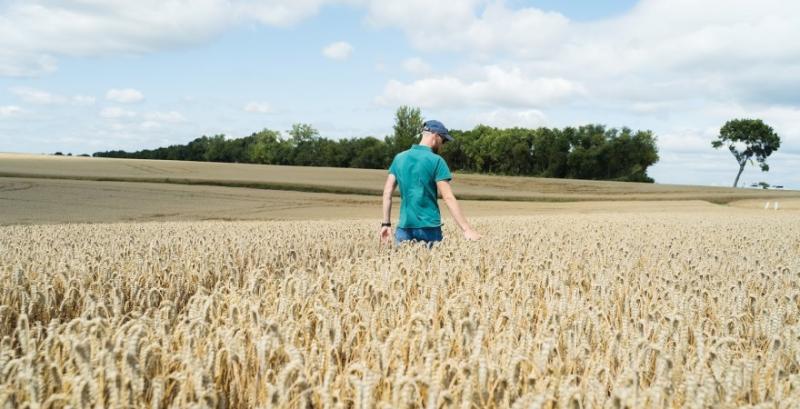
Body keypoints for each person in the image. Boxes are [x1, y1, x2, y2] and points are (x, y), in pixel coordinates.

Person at [379, 119, 481, 246]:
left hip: (404, 227)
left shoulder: (399, 158)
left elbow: (387, 193)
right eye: (443, 140)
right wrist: (467, 229)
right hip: (429, 228)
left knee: (408, 264)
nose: (442, 145)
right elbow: (448, 197)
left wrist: (386, 224)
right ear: (435, 136)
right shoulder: (437, 161)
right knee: (430, 265)